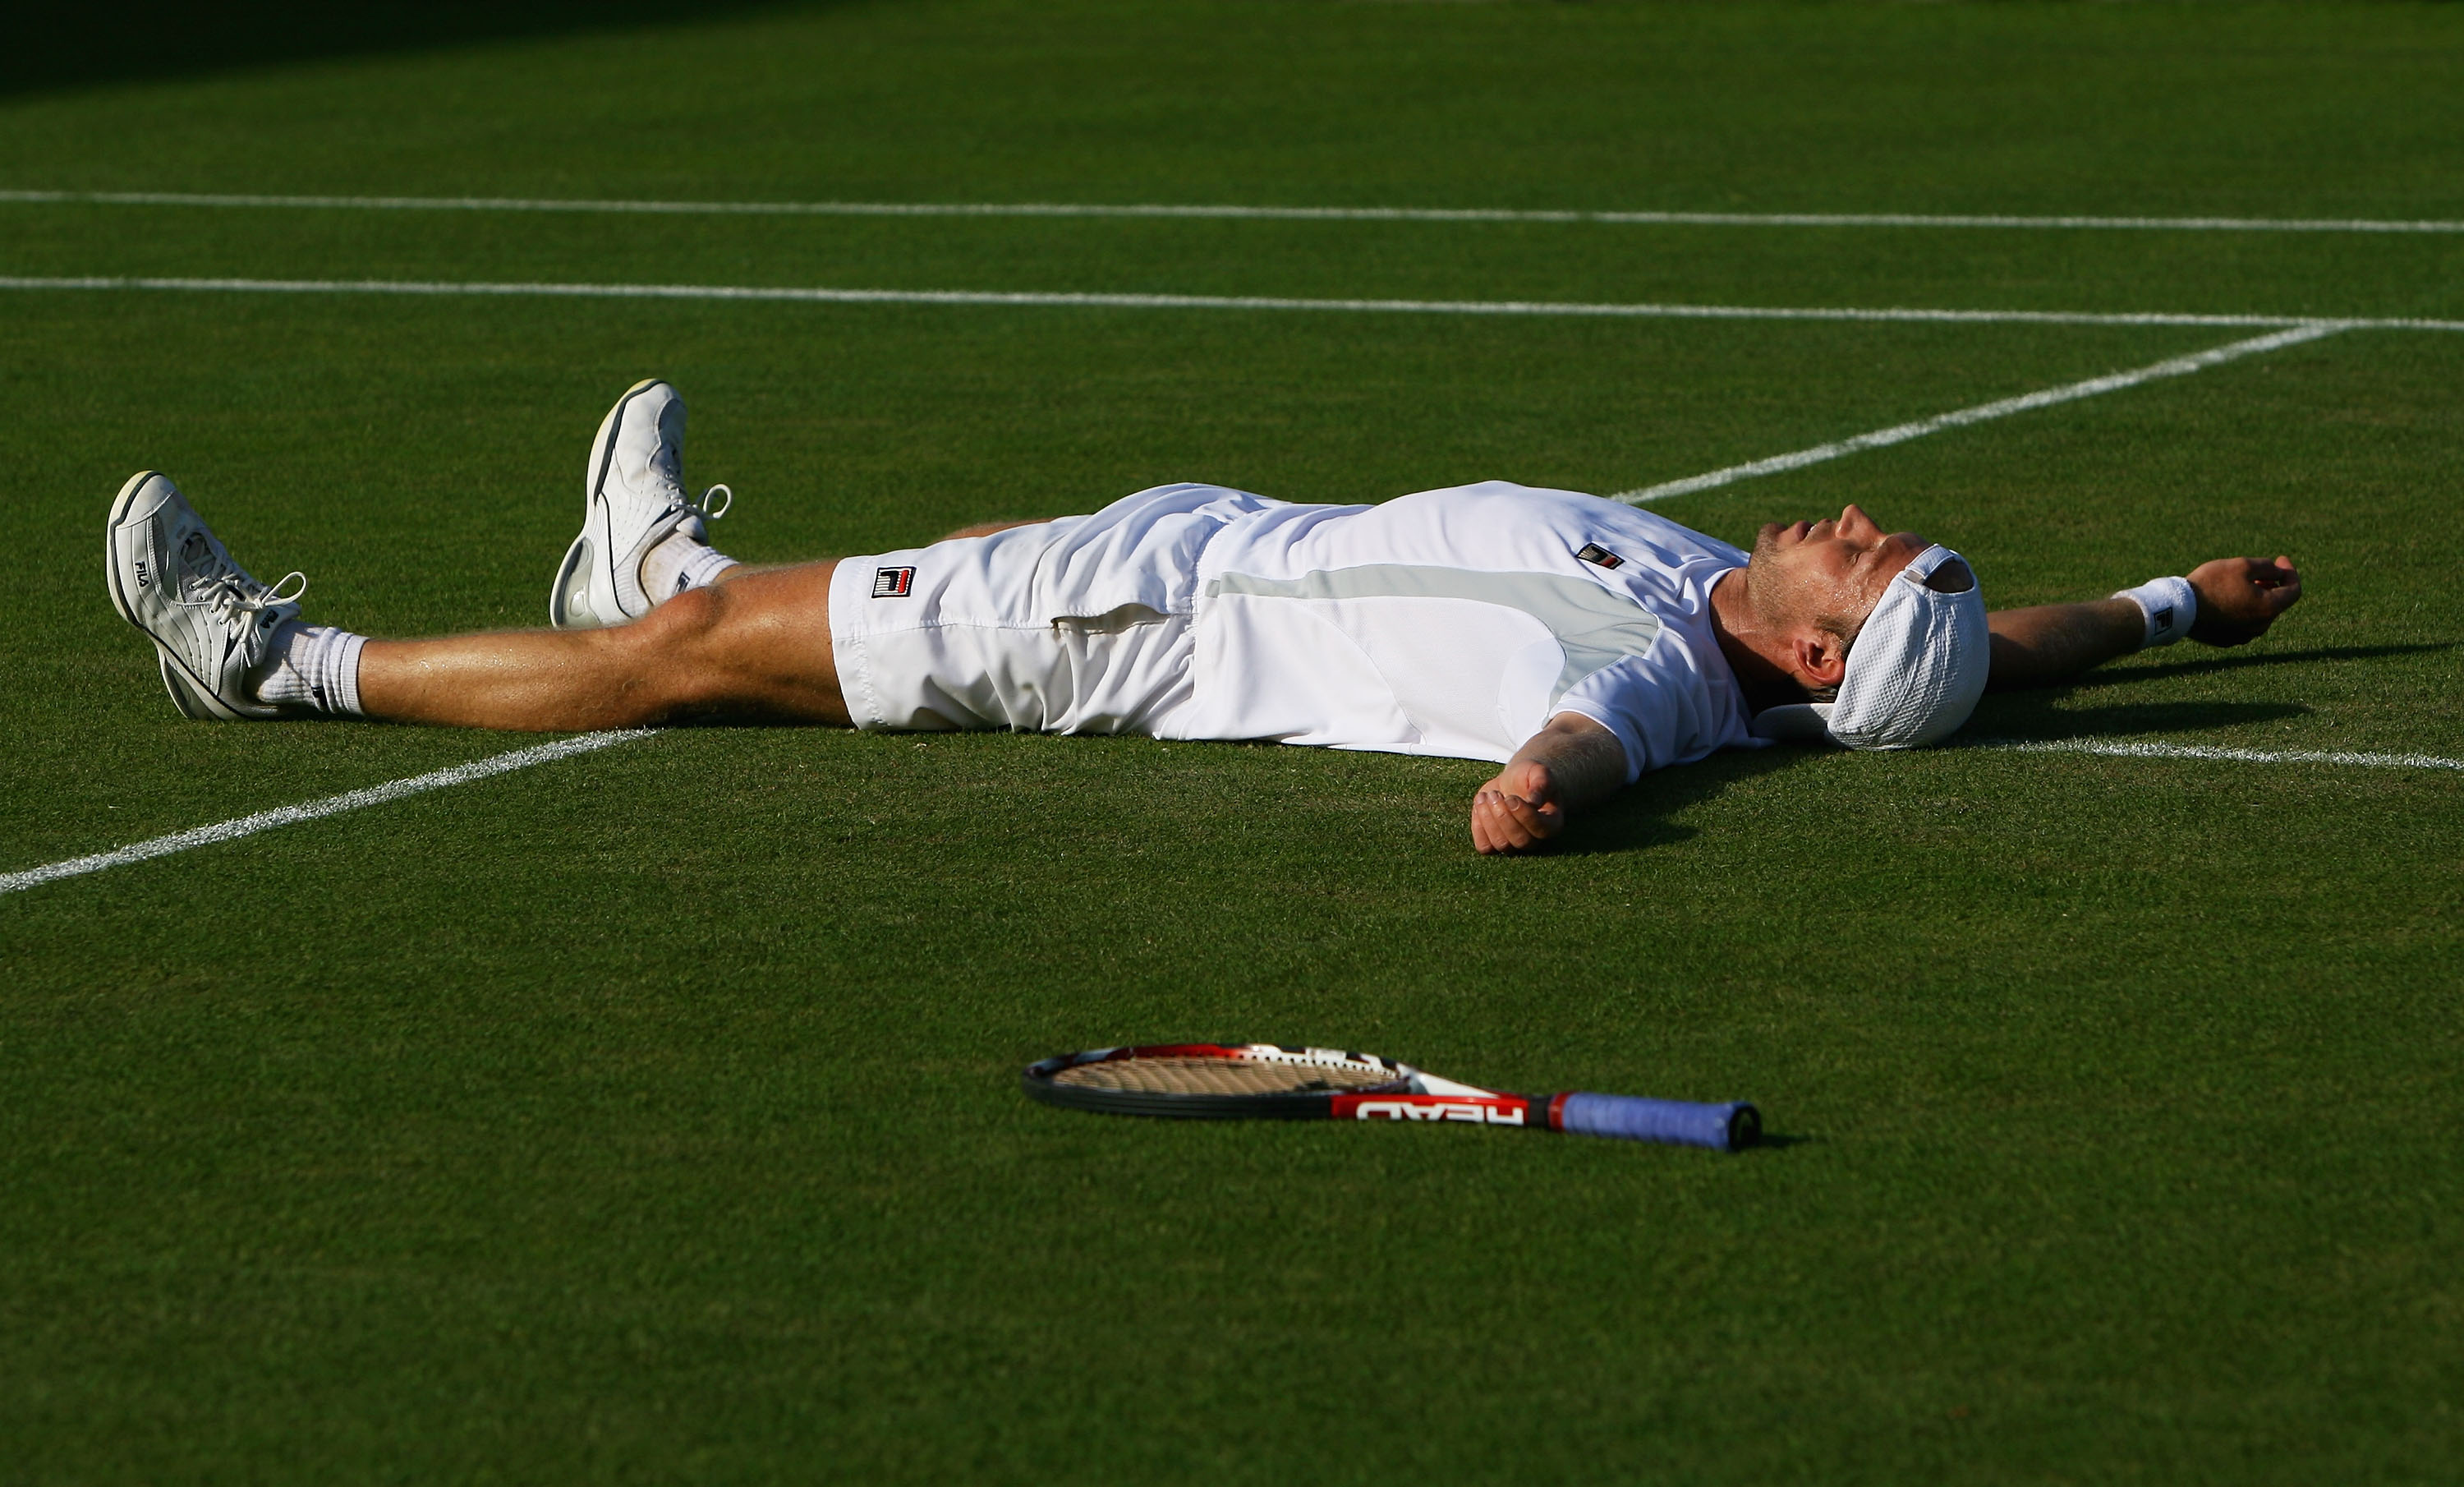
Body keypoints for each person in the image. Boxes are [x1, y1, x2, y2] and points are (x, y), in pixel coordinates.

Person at [105, 379, 2304, 854]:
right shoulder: (1792, 648)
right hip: (1181, 541)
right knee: (708, 622)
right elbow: (1991, 658)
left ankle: (279, 664)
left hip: (1119, 629)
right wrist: (2174, 607)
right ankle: (663, 567)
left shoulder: (1658, 676)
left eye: (1865, 556)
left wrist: (1531, 796)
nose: (1850, 516)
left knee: (666, 683)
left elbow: (1585, 753)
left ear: (1815, 655)